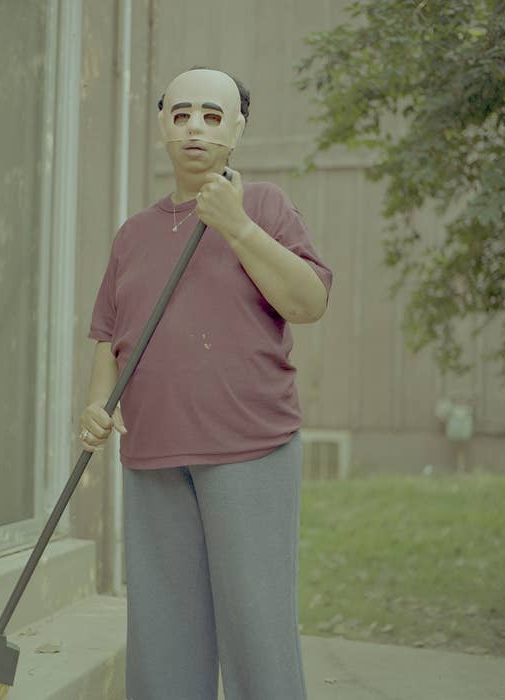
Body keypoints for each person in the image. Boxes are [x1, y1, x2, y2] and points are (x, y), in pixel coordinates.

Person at [79, 67, 333, 700]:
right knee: (163, 631)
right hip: (153, 454)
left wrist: (237, 226)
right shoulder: (133, 234)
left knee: (255, 623)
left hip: (248, 445)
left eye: (214, 116)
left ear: (237, 129)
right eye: (183, 113)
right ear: (163, 123)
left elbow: (308, 302)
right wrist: (94, 402)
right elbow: (109, 336)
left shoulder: (265, 204)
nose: (197, 126)